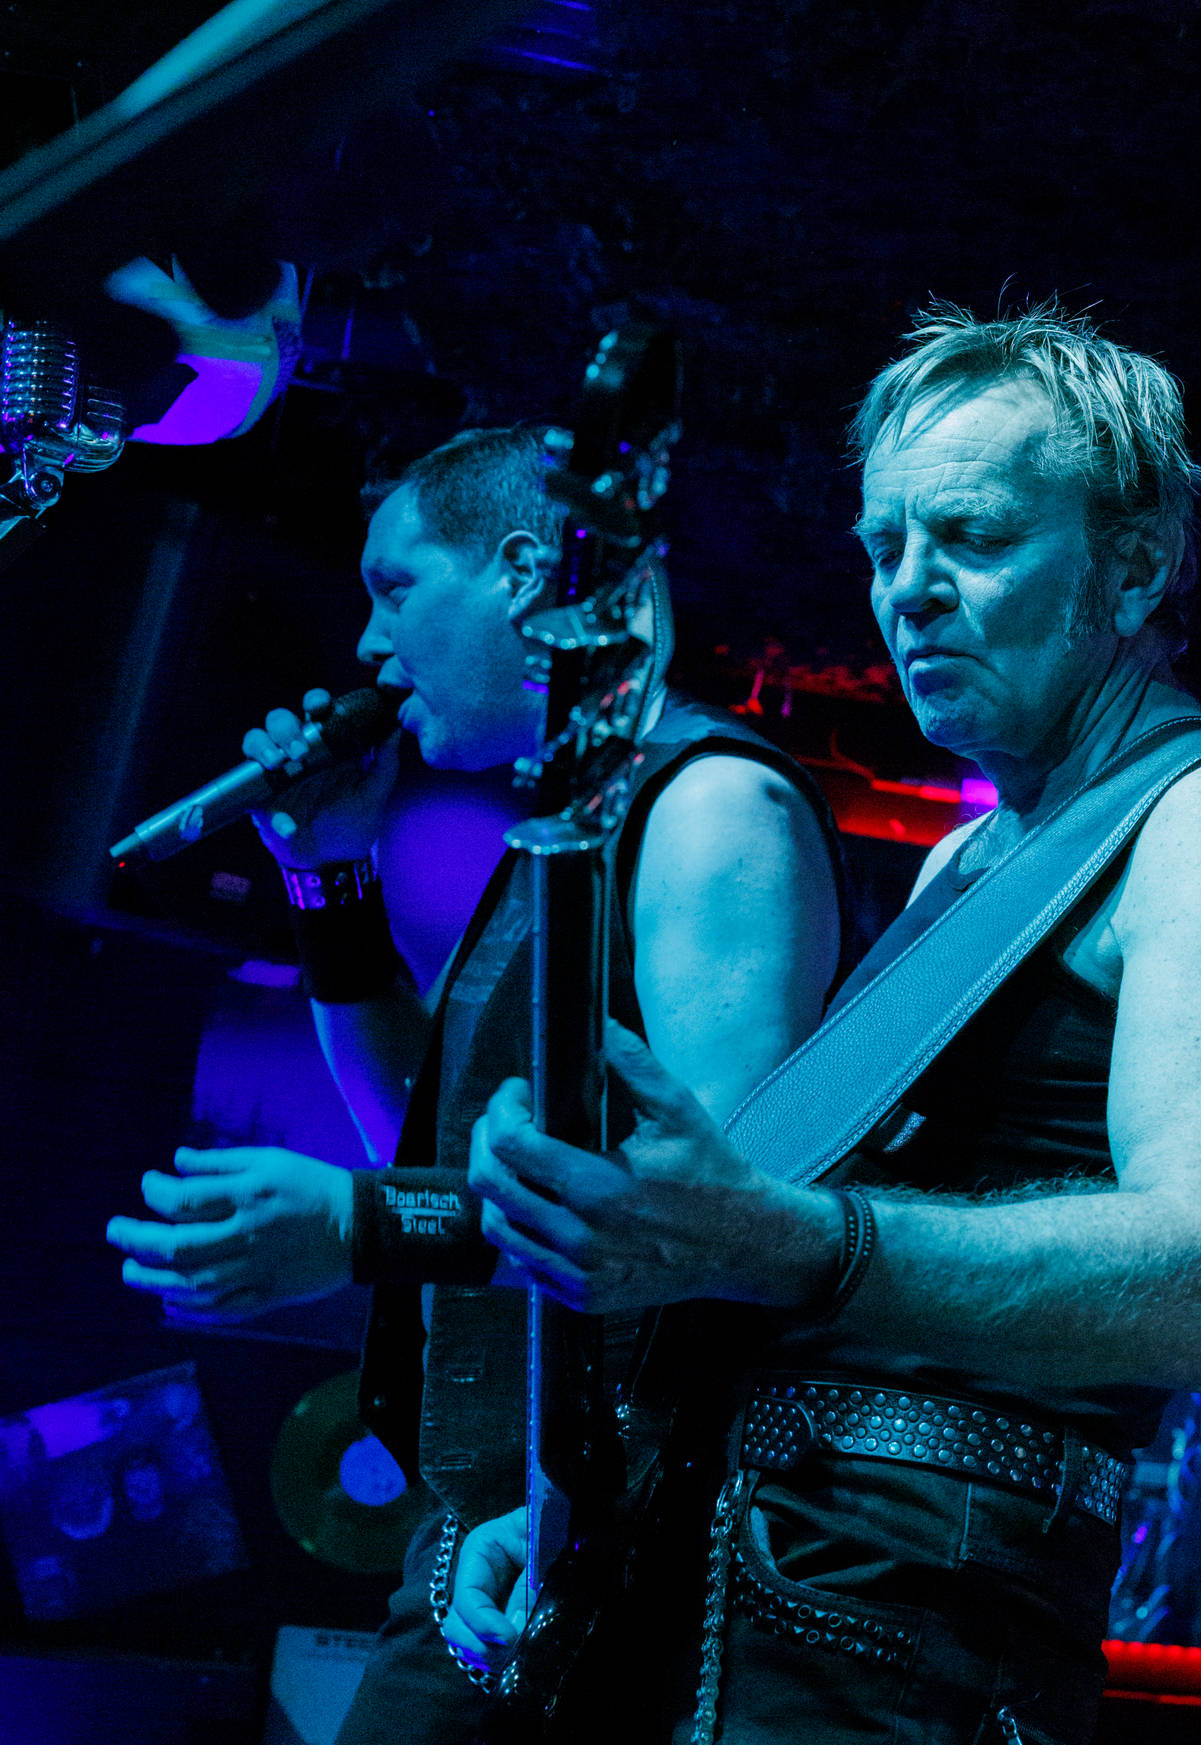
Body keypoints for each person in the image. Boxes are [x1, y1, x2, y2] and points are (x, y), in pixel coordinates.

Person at [457, 306, 1201, 1744]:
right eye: (883, 547)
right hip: (756, 1578)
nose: (909, 593)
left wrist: (787, 1237)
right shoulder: (967, 860)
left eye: (974, 539)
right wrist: (594, 1490)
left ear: (1134, 566)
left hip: (905, 1637)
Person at [104, 424, 846, 1744]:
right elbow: (418, 1133)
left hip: (622, 1534)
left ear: (521, 573)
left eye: (395, 587)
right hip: (498, 1528)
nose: (369, 645)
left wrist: (355, 1224)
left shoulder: (710, 807)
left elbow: (715, 1223)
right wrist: (328, 874)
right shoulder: (560, 830)